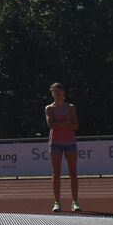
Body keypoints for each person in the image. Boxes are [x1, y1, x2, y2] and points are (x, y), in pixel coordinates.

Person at [46, 82, 81, 213]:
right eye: (54, 91)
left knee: (73, 173)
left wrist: (60, 124)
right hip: (55, 143)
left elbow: (75, 125)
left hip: (70, 143)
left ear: (63, 93)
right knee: (56, 174)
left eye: (59, 90)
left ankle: (75, 202)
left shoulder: (70, 107)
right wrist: (66, 122)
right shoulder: (49, 108)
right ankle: (57, 203)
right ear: (52, 93)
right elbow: (51, 125)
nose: (57, 93)